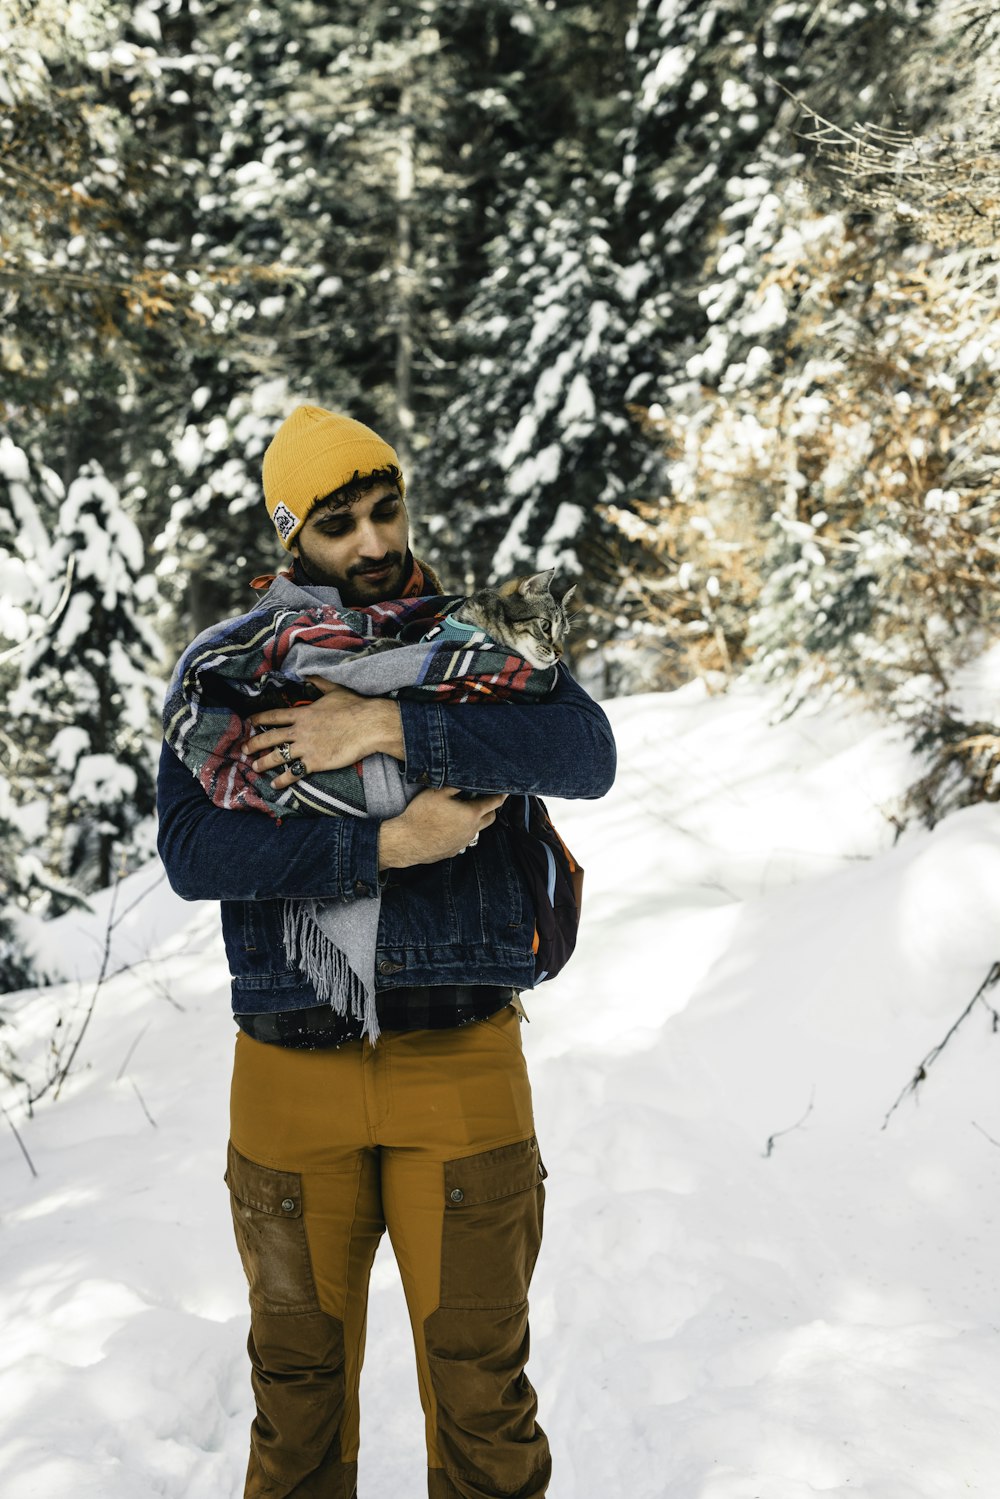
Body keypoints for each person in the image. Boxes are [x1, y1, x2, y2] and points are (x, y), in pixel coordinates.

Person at [156, 405, 617, 1499]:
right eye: (337, 525)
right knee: (299, 1396)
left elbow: (584, 751)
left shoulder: (475, 649)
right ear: (290, 541)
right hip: (288, 1073)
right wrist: (379, 843)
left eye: (385, 508)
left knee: (482, 1400)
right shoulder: (229, 674)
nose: (372, 543)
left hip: (460, 1064)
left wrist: (389, 726)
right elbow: (192, 848)